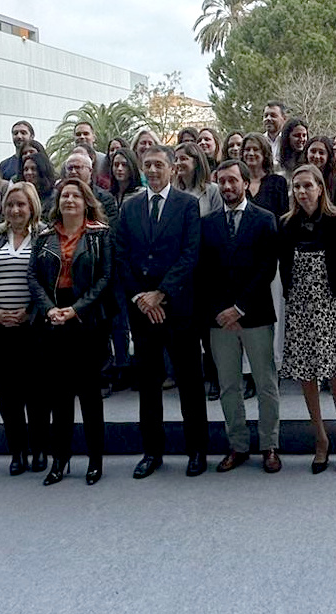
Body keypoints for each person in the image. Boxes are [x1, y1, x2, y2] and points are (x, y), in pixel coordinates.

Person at [114, 146, 208, 478]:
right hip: (142, 310)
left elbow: (190, 254)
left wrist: (161, 294)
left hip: (178, 308)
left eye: (159, 165)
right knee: (149, 384)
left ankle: (197, 450)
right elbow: (121, 255)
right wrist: (141, 296)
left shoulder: (187, 205)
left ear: (172, 169)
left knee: (189, 382)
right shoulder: (129, 207)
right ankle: (152, 451)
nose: (153, 170)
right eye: (148, 165)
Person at [197, 160, 284, 473]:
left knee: (265, 383)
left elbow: (267, 267)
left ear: (246, 183)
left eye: (233, 180)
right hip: (219, 318)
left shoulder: (264, 219)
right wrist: (223, 310)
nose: (227, 187)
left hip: (256, 313)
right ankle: (238, 445)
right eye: (222, 181)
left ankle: (269, 445)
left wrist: (240, 307)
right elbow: (203, 272)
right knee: (229, 385)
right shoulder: (206, 223)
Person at [32, 177, 117, 485]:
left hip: (87, 320)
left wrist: (77, 309)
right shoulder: (43, 236)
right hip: (53, 318)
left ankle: (95, 459)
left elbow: (106, 277)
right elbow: (33, 278)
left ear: (86, 202)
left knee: (90, 394)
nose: (69, 200)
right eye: (64, 195)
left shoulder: (100, 235)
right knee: (59, 394)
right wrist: (49, 309)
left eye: (76, 196)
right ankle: (61, 459)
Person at [278, 164, 336, 474]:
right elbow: (284, 267)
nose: (302, 191)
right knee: (306, 376)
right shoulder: (286, 224)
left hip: (331, 306)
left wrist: (333, 295)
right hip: (300, 309)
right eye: (296, 186)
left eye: (307, 186)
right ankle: (320, 439)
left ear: (320, 188)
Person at [0, 181, 49, 476]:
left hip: (34, 327)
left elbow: (48, 279)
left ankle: (41, 448)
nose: (15, 210)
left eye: (21, 204)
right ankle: (17, 451)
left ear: (32, 207)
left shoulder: (45, 236)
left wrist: (30, 311)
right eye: (10, 205)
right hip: (1, 328)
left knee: (38, 393)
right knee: (9, 394)